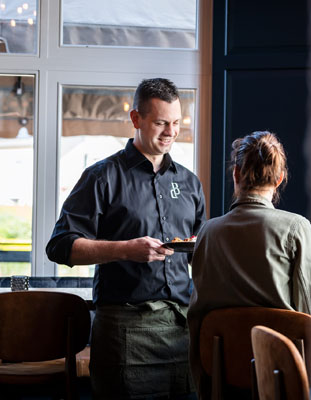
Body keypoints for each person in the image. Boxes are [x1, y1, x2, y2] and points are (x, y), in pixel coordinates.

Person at [46, 78, 206, 399]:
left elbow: (200, 249)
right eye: (161, 123)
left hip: (182, 331)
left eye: (176, 123)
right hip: (125, 332)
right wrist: (125, 250)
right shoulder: (102, 176)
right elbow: (60, 246)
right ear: (136, 119)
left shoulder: (189, 183)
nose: (171, 132)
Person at [187, 130, 311, 396]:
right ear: (280, 178)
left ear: (236, 174)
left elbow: (197, 316)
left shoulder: (208, 231)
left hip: (223, 380)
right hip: (284, 380)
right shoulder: (297, 228)